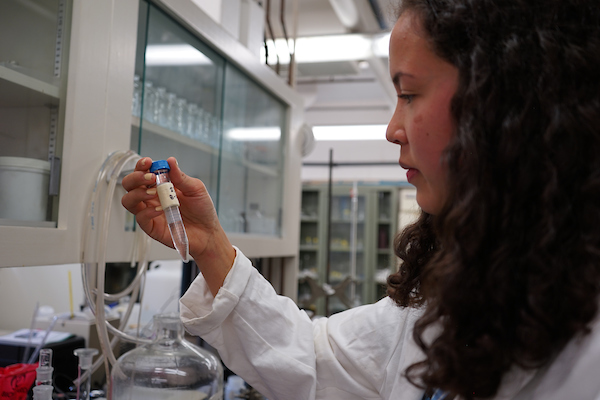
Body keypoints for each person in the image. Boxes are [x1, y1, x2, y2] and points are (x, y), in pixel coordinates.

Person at [121, 0, 600, 398]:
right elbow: (311, 357)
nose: (392, 130)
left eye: (409, 93)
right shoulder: (449, 303)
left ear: (505, 104)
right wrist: (210, 246)